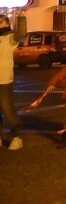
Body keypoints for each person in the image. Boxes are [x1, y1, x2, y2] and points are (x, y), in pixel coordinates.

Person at [0, 11, 27, 150]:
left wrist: (21, 18)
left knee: (7, 109)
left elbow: (20, 33)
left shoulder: (9, 38)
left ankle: (17, 136)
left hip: (4, 80)